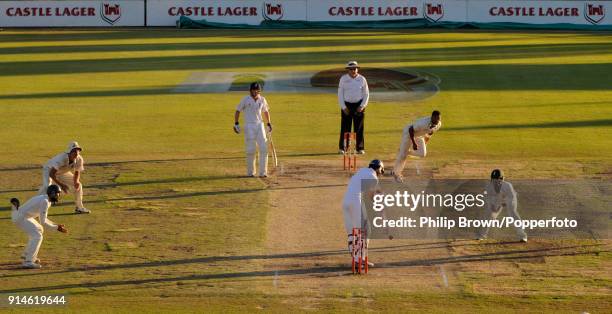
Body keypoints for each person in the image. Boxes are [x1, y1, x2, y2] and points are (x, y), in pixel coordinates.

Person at [11, 185, 68, 269]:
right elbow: (43, 222)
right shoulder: (45, 201)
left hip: (23, 216)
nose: (58, 196)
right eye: (57, 193)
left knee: (39, 229)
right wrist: (56, 228)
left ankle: (27, 254)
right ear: (52, 193)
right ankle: (28, 261)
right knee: (37, 236)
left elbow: (43, 219)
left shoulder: (46, 200)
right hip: (20, 218)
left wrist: (55, 225)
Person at [342, 159, 385, 268]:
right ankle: (359, 260)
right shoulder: (374, 178)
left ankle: (356, 258)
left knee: (353, 232)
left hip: (345, 202)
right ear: (378, 169)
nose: (380, 174)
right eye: (381, 171)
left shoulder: (362, 170)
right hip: (355, 202)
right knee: (365, 230)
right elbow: (371, 196)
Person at [37, 141, 90, 214]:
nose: (76, 152)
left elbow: (77, 171)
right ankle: (36, 207)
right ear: (69, 152)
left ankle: (79, 208)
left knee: (79, 186)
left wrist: (76, 182)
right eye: (74, 150)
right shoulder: (61, 158)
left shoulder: (79, 159)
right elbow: (52, 174)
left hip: (62, 172)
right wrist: (62, 185)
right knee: (47, 186)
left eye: (77, 150)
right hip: (49, 169)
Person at [477, 169, 528, 243]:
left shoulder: (508, 185)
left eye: (497, 180)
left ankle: (523, 236)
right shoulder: (489, 186)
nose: (495, 182)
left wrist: (504, 203)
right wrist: (492, 207)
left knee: (513, 213)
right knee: (489, 215)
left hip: (510, 199)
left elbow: (512, 198)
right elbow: (487, 197)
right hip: (497, 199)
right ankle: (482, 235)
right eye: (493, 180)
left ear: (502, 179)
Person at [234, 82, 273, 178]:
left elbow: (266, 111)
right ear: (250, 91)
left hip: (260, 125)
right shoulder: (245, 99)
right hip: (249, 126)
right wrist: (236, 124)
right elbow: (238, 110)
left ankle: (263, 172)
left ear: (259, 91)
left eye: (256, 91)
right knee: (251, 150)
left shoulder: (262, 99)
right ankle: (250, 172)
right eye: (253, 90)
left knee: (263, 149)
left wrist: (268, 123)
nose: (255, 92)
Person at [392, 110, 442, 182]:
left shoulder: (438, 124)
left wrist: (425, 142)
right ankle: (396, 174)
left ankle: (405, 151)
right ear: (432, 117)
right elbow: (411, 129)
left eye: (439, 119)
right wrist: (414, 143)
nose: (438, 120)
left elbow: (430, 133)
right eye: (436, 118)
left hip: (419, 135)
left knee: (422, 154)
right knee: (403, 156)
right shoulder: (423, 123)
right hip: (409, 134)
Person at [338, 61, 369, 155]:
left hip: (359, 105)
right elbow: (340, 94)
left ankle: (360, 148)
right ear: (348, 70)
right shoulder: (343, 79)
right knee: (345, 128)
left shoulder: (362, 79)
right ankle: (344, 148)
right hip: (347, 105)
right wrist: (343, 107)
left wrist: (362, 105)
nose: (353, 70)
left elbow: (366, 94)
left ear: (357, 69)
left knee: (359, 128)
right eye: (351, 69)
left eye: (355, 69)